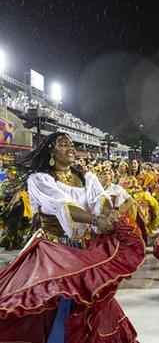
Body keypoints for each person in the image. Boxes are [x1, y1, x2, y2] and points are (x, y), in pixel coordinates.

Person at [0, 132, 144, 343]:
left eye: (72, 145)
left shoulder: (87, 178)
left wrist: (109, 212)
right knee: (54, 302)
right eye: (63, 144)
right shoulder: (40, 179)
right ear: (51, 150)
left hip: (81, 249)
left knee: (87, 301)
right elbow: (62, 205)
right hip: (51, 251)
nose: (71, 148)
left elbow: (100, 199)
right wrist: (96, 220)